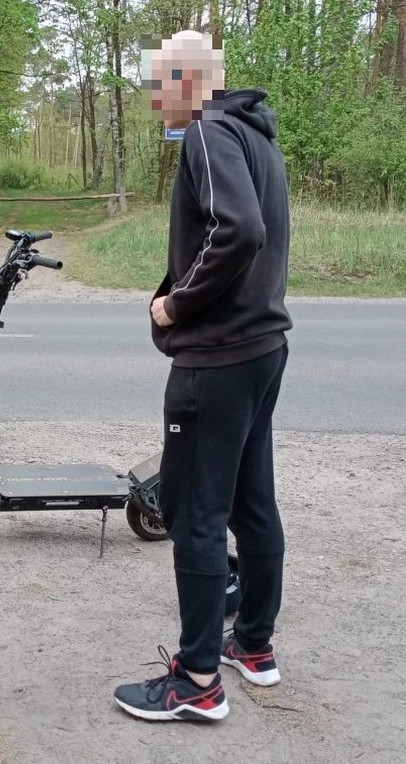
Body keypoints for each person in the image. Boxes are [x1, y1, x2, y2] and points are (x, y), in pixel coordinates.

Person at [113, 31, 293, 722]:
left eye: (160, 84)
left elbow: (240, 230)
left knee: (193, 513)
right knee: (252, 501)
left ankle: (195, 684)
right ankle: (253, 646)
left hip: (217, 355)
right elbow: (252, 230)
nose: (154, 99)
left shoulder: (210, 132)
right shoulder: (256, 134)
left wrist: (175, 302)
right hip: (263, 346)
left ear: (190, 80)